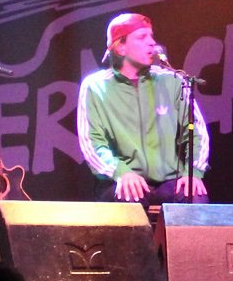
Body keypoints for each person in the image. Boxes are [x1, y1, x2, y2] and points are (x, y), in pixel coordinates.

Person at [76, 12, 209, 203]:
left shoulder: (173, 81)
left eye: (151, 36)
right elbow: (92, 143)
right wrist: (121, 172)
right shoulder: (95, 87)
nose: (152, 42)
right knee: (128, 200)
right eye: (142, 37)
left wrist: (193, 172)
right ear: (120, 47)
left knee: (195, 196)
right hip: (120, 180)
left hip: (170, 180)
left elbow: (197, 132)